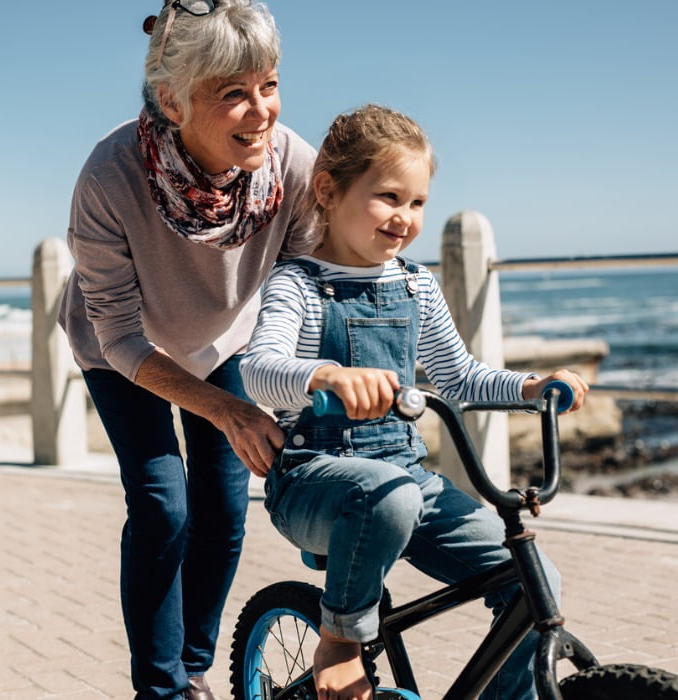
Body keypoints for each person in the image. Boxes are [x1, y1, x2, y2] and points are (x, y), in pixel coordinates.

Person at [240, 104, 589, 700]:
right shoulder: (296, 282)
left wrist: (531, 390)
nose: (404, 218)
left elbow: (459, 379)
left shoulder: (414, 284)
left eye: (417, 203)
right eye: (388, 197)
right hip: (314, 479)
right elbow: (258, 372)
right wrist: (324, 376)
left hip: (406, 480)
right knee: (388, 498)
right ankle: (341, 637)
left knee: (535, 585)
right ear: (328, 190)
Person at [56, 1, 317, 697]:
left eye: (268, 84)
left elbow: (313, 286)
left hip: (222, 336)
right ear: (172, 100)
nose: (260, 110)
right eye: (233, 93)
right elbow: (118, 334)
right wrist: (228, 413)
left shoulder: (291, 164)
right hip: (123, 347)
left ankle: (194, 669)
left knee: (225, 511)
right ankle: (161, 688)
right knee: (164, 504)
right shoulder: (109, 177)